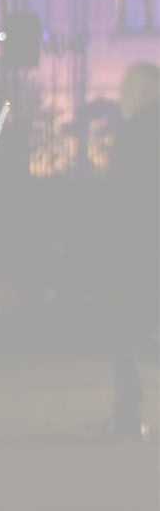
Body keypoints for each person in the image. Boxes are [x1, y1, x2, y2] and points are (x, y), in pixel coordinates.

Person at [101, 62, 159, 440]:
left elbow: (123, 193)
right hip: (145, 240)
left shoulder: (138, 130)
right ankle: (127, 408)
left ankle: (127, 410)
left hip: (137, 243)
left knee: (121, 323)